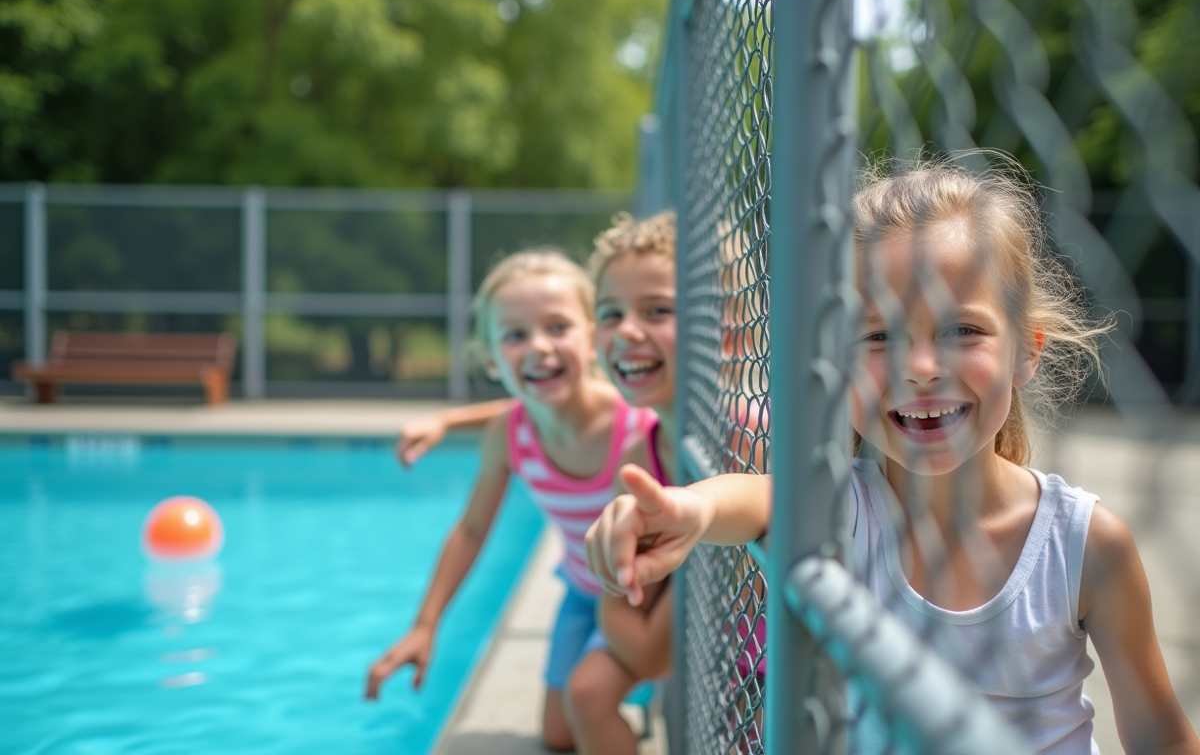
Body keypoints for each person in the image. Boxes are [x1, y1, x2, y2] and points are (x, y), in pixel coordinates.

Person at [585, 154, 1200, 754]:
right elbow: (752, 496)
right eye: (878, 337)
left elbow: (1162, 735)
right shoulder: (840, 508)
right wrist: (687, 510)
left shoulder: (1084, 543)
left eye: (962, 330)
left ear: (1026, 351)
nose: (921, 368)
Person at [363, 249, 654, 753]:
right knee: (557, 736)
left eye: (558, 327)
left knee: (589, 702)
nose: (539, 347)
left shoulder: (636, 420)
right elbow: (472, 530)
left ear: (592, 339)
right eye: (515, 336)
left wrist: (450, 419)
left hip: (643, 598)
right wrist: (425, 624)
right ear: (492, 359)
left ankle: (638, 683)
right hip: (582, 594)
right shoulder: (509, 436)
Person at [564, 211, 679, 754]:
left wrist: (620, 599)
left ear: (730, 321)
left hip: (762, 667)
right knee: (585, 692)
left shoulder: (749, 443)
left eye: (658, 310)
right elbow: (620, 598)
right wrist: (619, 598)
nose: (628, 331)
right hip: (675, 641)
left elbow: (652, 645)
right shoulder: (643, 452)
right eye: (610, 314)